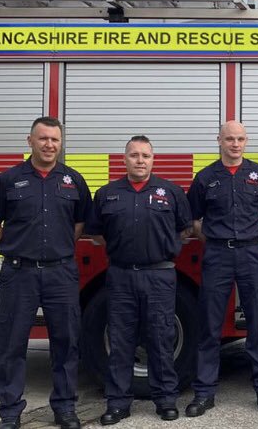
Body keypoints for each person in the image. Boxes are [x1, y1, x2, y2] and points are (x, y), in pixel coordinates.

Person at [0, 116, 91, 429]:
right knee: (11, 345)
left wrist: (56, 249)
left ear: (61, 143)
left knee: (66, 343)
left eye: (55, 139)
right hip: (19, 275)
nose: (49, 145)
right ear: (30, 141)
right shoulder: (8, 179)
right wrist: (19, 248)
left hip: (61, 274)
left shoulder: (73, 180)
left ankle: (65, 408)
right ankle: (10, 413)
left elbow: (80, 224)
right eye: (43, 138)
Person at [86, 135, 192, 425]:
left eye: (145, 155)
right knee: (121, 340)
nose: (140, 160)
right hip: (120, 276)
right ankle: (118, 402)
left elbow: (184, 229)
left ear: (153, 159)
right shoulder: (107, 194)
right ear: (124, 159)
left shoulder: (170, 192)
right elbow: (96, 234)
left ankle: (166, 400)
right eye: (134, 155)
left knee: (161, 337)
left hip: (160, 274)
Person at [187, 121, 258, 416]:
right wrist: (215, 241)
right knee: (210, 325)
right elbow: (194, 220)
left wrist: (255, 237)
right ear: (219, 140)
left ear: (246, 141)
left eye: (240, 139)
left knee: (257, 323)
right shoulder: (205, 177)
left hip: (251, 254)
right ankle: (204, 393)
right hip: (216, 254)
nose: (235, 144)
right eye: (229, 138)